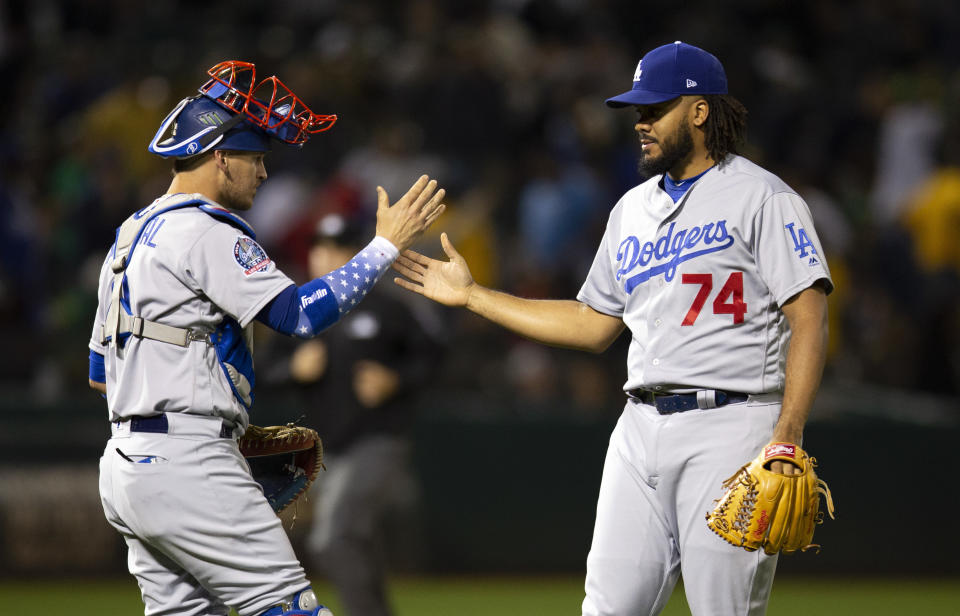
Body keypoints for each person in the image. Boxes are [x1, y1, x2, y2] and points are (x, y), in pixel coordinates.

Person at [393, 41, 832, 616]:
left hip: (732, 425)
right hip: (638, 427)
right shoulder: (630, 209)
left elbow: (809, 315)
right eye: (638, 112)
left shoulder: (763, 197)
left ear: (700, 111)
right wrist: (474, 298)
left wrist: (788, 433)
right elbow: (594, 323)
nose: (642, 123)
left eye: (655, 109)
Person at [86, 60, 446, 616]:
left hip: (126, 467)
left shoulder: (130, 236)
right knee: (290, 609)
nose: (263, 172)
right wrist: (384, 247)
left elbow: (99, 375)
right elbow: (298, 315)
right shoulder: (205, 229)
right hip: (187, 461)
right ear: (220, 156)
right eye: (255, 157)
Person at [274, 212, 444, 616]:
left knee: (333, 538)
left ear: (356, 255)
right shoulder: (301, 311)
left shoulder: (388, 308)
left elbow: (434, 358)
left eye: (339, 248)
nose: (327, 256)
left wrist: (396, 379)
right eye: (320, 247)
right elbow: (264, 369)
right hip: (325, 452)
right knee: (355, 539)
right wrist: (292, 369)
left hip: (377, 442)